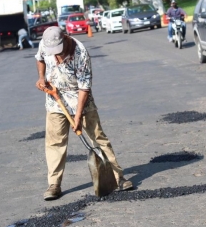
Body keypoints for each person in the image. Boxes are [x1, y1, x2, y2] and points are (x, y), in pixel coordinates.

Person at [34, 26, 133, 201]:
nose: (56, 54)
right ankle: (54, 184)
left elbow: (84, 88)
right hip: (55, 101)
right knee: (55, 142)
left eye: (58, 50)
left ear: (64, 38)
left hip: (81, 101)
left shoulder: (80, 53)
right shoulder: (45, 43)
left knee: (98, 138)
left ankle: (118, 178)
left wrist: (78, 116)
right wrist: (41, 77)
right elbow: (40, 59)